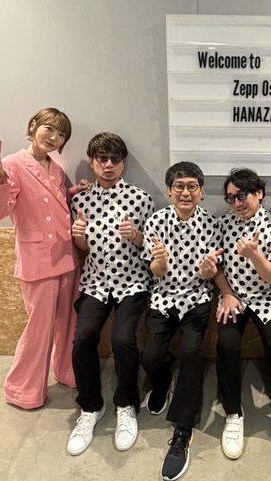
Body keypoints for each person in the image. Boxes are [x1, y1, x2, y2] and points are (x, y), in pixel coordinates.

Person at [0, 107, 90, 409]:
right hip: (37, 259)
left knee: (68, 322)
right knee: (39, 329)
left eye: (61, 134)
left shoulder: (55, 169)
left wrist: (73, 192)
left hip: (66, 255)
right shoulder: (11, 164)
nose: (54, 137)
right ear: (33, 126)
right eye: (49, 129)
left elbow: (53, 202)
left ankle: (66, 370)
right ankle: (22, 389)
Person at [140, 161, 235, 481]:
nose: (185, 192)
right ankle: (162, 381)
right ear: (169, 191)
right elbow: (155, 272)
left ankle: (182, 432)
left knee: (193, 354)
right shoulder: (156, 221)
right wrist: (160, 263)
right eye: (179, 186)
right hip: (163, 297)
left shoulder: (212, 224)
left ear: (201, 192)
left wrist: (209, 273)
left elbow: (213, 272)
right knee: (151, 356)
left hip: (196, 299)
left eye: (192, 186)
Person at [66, 132, 154, 456]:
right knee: (83, 339)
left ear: (123, 164)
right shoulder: (80, 201)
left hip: (132, 282)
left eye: (114, 159)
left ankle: (126, 404)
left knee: (122, 339)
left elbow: (151, 245)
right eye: (101, 159)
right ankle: (90, 407)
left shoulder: (141, 199)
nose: (108, 165)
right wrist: (78, 236)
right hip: (96, 282)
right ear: (92, 163)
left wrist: (137, 235)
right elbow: (83, 248)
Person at [215, 168, 271, 463]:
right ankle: (233, 413)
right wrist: (227, 293)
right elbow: (217, 268)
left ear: (259, 194)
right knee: (226, 345)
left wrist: (254, 254)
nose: (237, 203)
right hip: (233, 298)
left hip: (267, 298)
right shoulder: (223, 224)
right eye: (231, 198)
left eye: (242, 195)